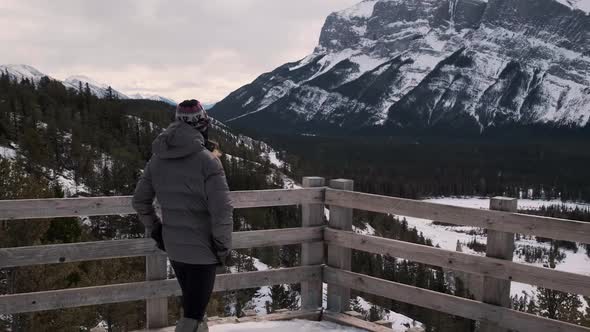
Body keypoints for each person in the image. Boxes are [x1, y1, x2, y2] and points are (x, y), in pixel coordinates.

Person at [132, 99, 233, 332]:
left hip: (175, 247)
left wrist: (157, 230)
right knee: (193, 316)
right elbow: (222, 210)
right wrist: (222, 246)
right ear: (202, 125)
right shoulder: (208, 161)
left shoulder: (158, 158)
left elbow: (140, 201)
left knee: (193, 307)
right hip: (203, 249)